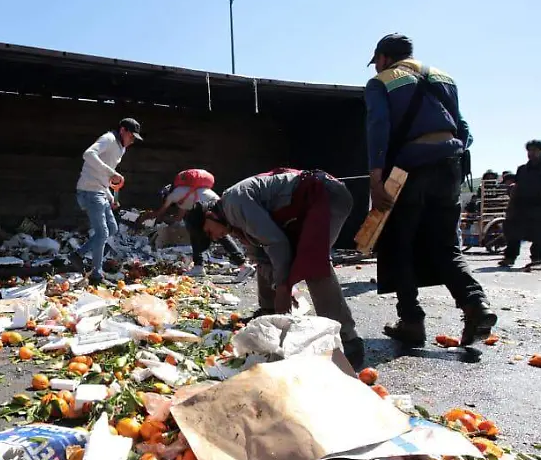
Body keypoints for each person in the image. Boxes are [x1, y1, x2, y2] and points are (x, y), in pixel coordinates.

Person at [365, 33, 495, 347]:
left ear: (383, 57)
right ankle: (476, 304)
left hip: (410, 168)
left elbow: (378, 127)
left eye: (376, 62)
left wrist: (376, 179)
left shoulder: (381, 82)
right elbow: (463, 128)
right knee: (446, 245)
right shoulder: (443, 78)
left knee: (399, 244)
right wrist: (447, 151)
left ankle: (411, 321)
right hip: (450, 167)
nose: (376, 68)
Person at [185, 168, 365, 369]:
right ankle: (268, 313)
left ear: (210, 215)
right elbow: (260, 254)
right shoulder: (231, 219)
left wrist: (283, 288)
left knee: (313, 264)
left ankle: (348, 340)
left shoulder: (234, 204)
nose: (215, 238)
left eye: (209, 232)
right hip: (305, 206)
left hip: (325, 195)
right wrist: (277, 293)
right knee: (266, 260)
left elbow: (277, 242)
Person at [137, 168, 248, 276]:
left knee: (196, 231)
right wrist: (167, 219)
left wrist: (145, 217)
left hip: (205, 206)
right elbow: (179, 217)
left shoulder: (174, 195)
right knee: (220, 235)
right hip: (216, 204)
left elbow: (162, 213)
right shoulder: (186, 192)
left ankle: (199, 266)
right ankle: (242, 264)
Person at [70, 118, 141, 285]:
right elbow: (88, 154)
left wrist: (111, 197)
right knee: (102, 233)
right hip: (89, 191)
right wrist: (112, 173)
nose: (132, 140)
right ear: (122, 130)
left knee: (112, 228)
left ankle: (78, 255)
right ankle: (96, 275)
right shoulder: (108, 139)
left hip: (100, 192)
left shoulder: (121, 148)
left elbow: (103, 177)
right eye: (131, 136)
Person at [500, 140, 541, 267]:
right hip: (521, 206)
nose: (531, 153)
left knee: (540, 234)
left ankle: (536, 259)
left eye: (535, 150)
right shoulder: (522, 169)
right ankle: (510, 257)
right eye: (529, 150)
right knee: (513, 232)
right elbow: (517, 187)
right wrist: (510, 206)